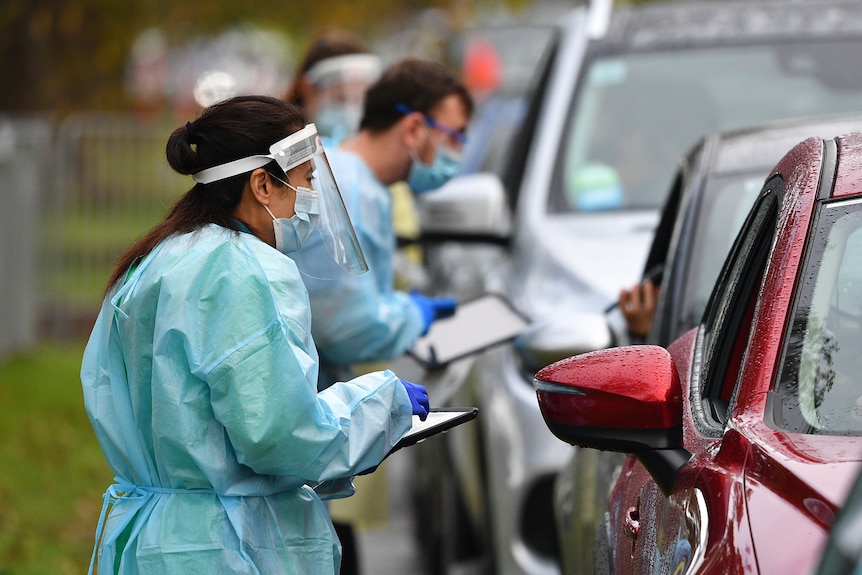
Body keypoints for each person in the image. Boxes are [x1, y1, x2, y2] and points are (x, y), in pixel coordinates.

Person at [81, 95, 430, 575]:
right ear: (263, 183)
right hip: (225, 547)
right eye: (307, 181)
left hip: (158, 542)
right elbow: (280, 435)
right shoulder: (244, 272)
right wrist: (380, 404)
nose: (313, 198)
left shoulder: (157, 260)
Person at [292, 58, 474, 390]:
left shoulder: (354, 180)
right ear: (414, 129)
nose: (458, 153)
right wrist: (413, 316)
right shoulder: (348, 190)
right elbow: (345, 329)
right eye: (454, 137)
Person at [285, 30, 382, 146]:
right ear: (306, 88)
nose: (351, 112)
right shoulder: (279, 143)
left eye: (361, 100)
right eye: (341, 99)